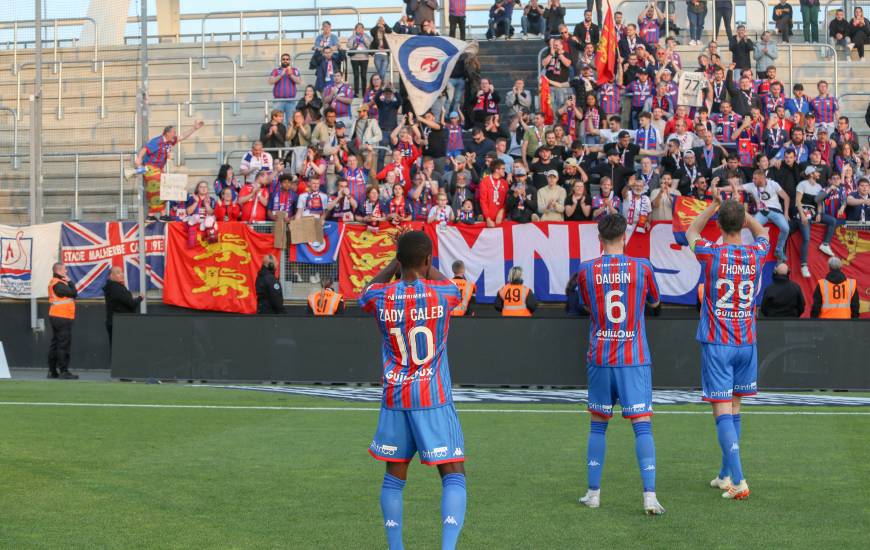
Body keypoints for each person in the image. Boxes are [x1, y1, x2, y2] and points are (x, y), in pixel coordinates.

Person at [359, 230, 466, 550]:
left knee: (394, 477)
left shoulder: (381, 296)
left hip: (396, 398)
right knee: (453, 475)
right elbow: (453, 288)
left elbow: (365, 291)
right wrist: (422, 264)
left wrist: (398, 263)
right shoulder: (442, 293)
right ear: (428, 260)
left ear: (399, 260)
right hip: (433, 396)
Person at [575, 213, 664, 514]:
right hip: (633, 358)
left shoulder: (587, 270)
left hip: (600, 355)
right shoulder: (642, 267)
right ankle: (649, 497)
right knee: (642, 426)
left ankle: (593, 493)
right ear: (625, 236)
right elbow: (654, 302)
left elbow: (586, 304)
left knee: (598, 426)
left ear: (599, 240)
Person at [687, 197, 770, 501]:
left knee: (722, 410)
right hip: (746, 341)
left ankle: (739, 480)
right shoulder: (756, 253)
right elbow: (764, 234)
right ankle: (725, 474)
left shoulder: (711, 254)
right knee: (734, 408)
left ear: (719, 224)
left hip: (718, 342)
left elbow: (691, 232)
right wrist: (745, 216)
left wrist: (712, 207)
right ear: (743, 222)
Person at [134, 122, 203, 220]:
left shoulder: (170, 141)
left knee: (165, 189)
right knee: (156, 189)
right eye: (173, 132)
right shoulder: (157, 141)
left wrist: (194, 128)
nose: (175, 134)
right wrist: (139, 158)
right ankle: (151, 215)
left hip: (159, 169)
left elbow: (182, 136)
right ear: (167, 133)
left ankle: (162, 215)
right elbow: (145, 148)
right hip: (150, 168)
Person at [47, 262, 79, 379]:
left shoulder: (55, 282)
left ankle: (52, 371)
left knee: (55, 344)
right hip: (62, 317)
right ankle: (63, 371)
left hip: (56, 316)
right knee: (63, 345)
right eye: (65, 270)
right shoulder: (59, 284)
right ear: (58, 271)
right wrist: (70, 282)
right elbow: (74, 293)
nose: (66, 272)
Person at [103, 266, 143, 351]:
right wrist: (140, 298)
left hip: (115, 322)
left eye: (121, 272)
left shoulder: (112, 287)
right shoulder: (116, 288)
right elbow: (131, 303)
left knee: (116, 350)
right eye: (118, 273)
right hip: (120, 323)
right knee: (121, 350)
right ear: (111, 276)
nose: (121, 274)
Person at [269, 53, 303, 123]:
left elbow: (299, 81)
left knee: (290, 122)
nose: (285, 61)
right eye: (283, 59)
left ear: (289, 61)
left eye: (287, 59)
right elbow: (270, 81)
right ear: (281, 61)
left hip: (290, 101)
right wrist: (281, 75)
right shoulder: (276, 70)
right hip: (278, 101)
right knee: (277, 122)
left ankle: (288, 134)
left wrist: (291, 75)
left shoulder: (294, 70)